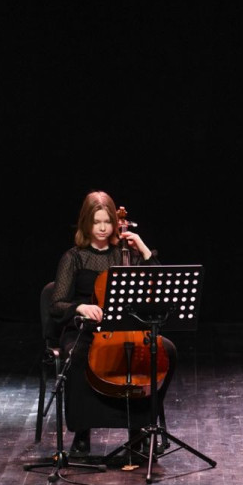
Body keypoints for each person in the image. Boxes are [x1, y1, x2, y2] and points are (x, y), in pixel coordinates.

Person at [50, 191, 176, 454]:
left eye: (107, 221)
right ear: (86, 223)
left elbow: (160, 285)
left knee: (167, 352)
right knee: (78, 356)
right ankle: (82, 434)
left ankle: (141, 427)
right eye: (97, 222)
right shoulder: (74, 257)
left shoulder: (124, 254)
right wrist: (81, 306)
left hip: (126, 328)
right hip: (87, 329)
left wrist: (142, 248)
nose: (104, 227)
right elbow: (57, 303)